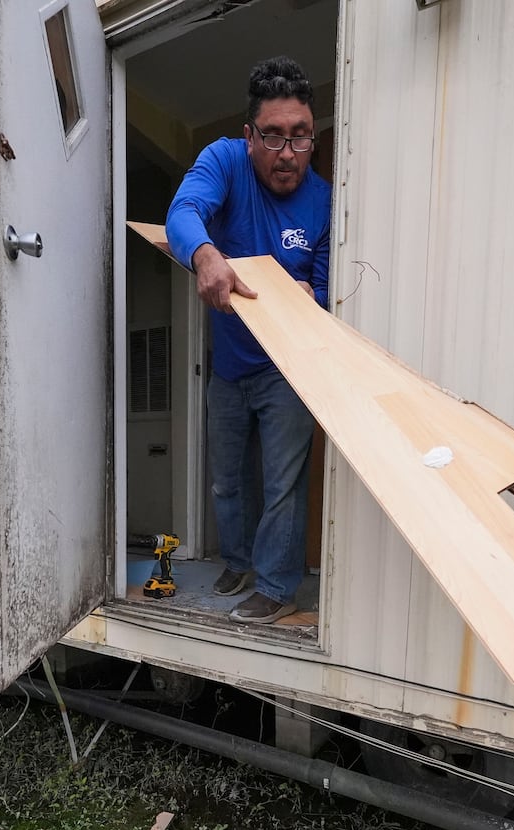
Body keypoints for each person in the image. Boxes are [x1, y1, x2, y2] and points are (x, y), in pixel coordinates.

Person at [165, 56, 332, 625]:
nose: (288, 153)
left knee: (282, 484)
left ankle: (276, 585)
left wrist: (315, 302)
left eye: (301, 137)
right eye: (274, 137)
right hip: (230, 367)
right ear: (249, 135)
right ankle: (237, 561)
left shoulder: (324, 199)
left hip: (288, 368)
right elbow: (184, 212)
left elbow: (328, 287)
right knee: (226, 481)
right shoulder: (224, 161)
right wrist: (204, 252)